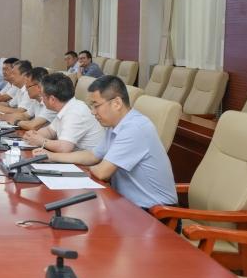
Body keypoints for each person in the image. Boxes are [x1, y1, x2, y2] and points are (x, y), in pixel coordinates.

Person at [40, 76, 178, 209]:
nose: (93, 112)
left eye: (96, 106)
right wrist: (51, 156)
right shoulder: (115, 125)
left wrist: (82, 169)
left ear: (117, 103)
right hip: (125, 203)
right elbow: (93, 156)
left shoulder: (135, 128)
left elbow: (102, 172)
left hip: (155, 212)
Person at [23, 72, 104, 152]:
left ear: (52, 99)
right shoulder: (66, 107)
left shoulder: (75, 112)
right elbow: (50, 131)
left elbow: (64, 147)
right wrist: (34, 135)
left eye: (42, 96)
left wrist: (41, 141)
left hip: (87, 159)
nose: (42, 99)